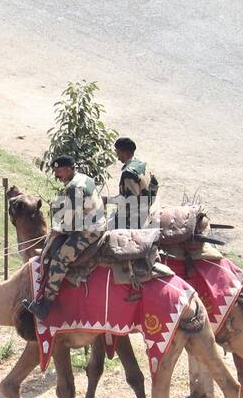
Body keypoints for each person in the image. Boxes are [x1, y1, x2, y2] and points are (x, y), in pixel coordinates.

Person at [22, 155, 106, 320]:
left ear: (69, 169)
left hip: (89, 231)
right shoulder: (85, 178)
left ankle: (45, 305)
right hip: (96, 222)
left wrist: (59, 230)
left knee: (60, 259)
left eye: (59, 172)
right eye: (55, 172)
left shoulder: (73, 187)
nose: (57, 176)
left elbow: (71, 223)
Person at [110, 137, 159, 229]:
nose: (117, 157)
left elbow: (131, 202)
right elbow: (155, 186)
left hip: (132, 221)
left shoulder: (128, 173)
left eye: (118, 153)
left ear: (125, 152)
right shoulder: (142, 164)